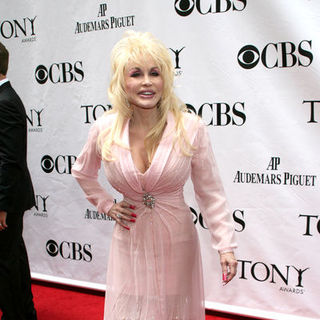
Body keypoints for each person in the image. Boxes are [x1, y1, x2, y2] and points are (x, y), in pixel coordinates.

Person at [72, 31, 237, 320]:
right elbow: (83, 172)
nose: (147, 82)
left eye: (155, 73)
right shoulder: (105, 129)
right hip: (130, 237)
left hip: (177, 239)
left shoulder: (190, 128)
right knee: (133, 309)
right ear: (122, 81)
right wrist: (107, 204)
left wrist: (225, 245)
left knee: (173, 311)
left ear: (166, 79)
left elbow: (210, 192)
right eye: (136, 74)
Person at [0, 42, 37, 320]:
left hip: (6, 198)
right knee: (12, 258)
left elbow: (10, 159)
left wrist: (1, 205)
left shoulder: (6, 102)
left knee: (7, 264)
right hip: (7, 195)